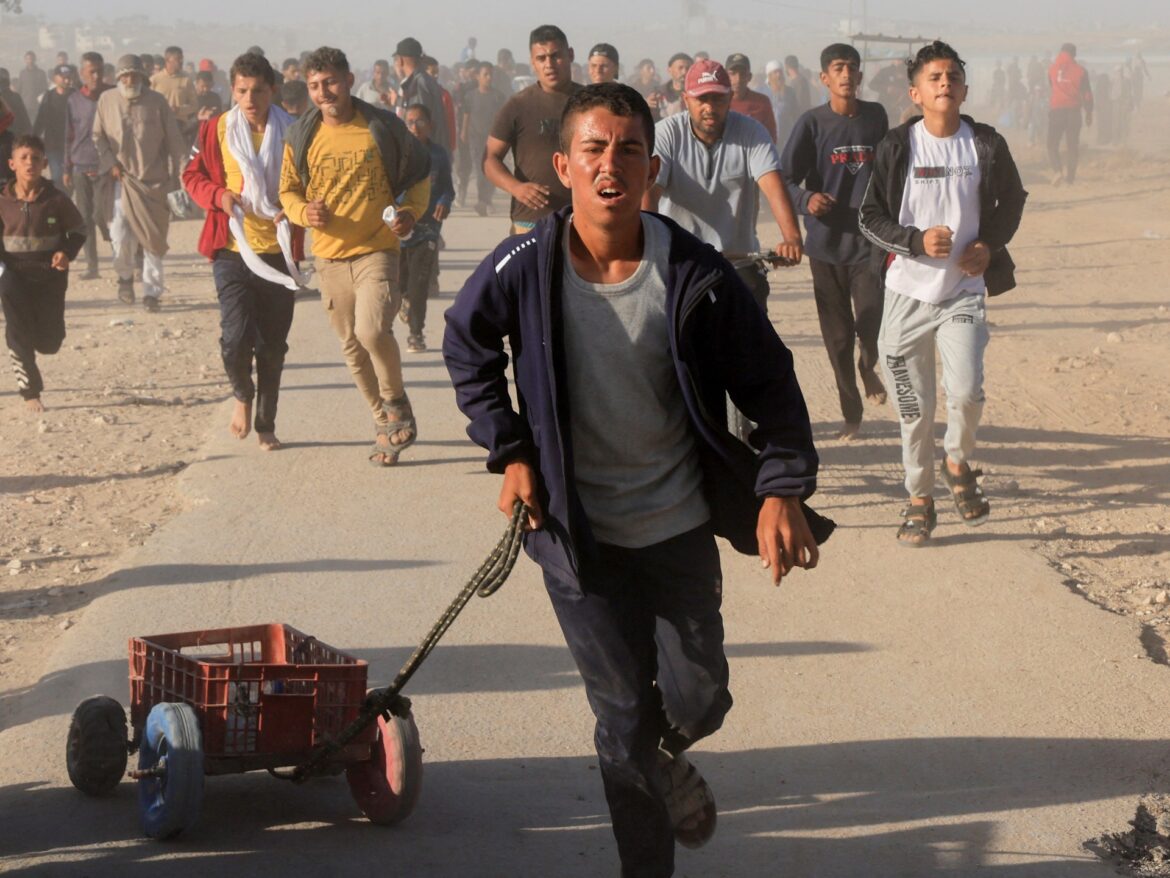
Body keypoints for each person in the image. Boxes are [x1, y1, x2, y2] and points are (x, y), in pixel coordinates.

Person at [444, 81, 825, 878]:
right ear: (563, 165)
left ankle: (660, 746)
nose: (609, 165)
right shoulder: (524, 264)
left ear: (652, 169)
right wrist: (510, 450)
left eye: (628, 150)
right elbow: (466, 343)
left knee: (699, 701)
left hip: (677, 526)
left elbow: (770, 382)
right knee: (620, 714)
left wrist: (781, 487)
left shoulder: (695, 271)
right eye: (593, 149)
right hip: (576, 539)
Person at [859, 40, 1027, 546]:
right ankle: (919, 499)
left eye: (952, 76)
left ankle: (956, 461)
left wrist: (988, 245)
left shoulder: (986, 143)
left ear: (965, 90)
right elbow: (869, 217)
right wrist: (915, 241)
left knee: (967, 391)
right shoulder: (897, 146)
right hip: (906, 296)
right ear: (915, 93)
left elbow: (1012, 199)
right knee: (914, 411)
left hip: (962, 292)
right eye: (934, 78)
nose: (944, 83)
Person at [278, 46, 431, 466]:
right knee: (351, 347)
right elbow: (287, 191)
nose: (323, 92)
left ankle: (395, 402)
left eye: (330, 82)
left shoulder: (382, 126)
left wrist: (410, 212)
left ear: (348, 80)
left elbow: (420, 172)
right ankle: (384, 423)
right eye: (314, 85)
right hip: (329, 258)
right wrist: (303, 213)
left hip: (376, 251)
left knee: (372, 331)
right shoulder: (301, 136)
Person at [183, 52, 304, 452]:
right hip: (232, 248)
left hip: (278, 253)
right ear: (232, 90)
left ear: (273, 90)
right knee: (235, 339)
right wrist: (218, 196)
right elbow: (192, 176)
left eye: (258, 91)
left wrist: (296, 207)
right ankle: (242, 394)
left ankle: (266, 425)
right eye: (242, 91)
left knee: (272, 346)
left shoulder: (294, 132)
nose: (250, 99)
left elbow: (312, 183)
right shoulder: (216, 128)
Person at [781, 43, 888, 440]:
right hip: (825, 247)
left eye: (852, 67)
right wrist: (807, 200)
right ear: (824, 78)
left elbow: (891, 169)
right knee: (839, 338)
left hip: (870, 242)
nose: (846, 74)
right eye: (838, 68)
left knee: (873, 319)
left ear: (860, 76)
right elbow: (783, 179)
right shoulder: (812, 124)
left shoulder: (876, 117)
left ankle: (868, 365)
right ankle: (851, 412)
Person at [644, 59, 803, 312]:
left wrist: (792, 237)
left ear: (729, 99)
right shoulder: (666, 134)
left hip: (738, 262)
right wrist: (648, 244)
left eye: (717, 99)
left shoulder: (752, 133)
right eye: (702, 99)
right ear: (686, 99)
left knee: (754, 329)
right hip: (680, 262)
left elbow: (773, 187)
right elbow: (649, 195)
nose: (709, 107)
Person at [93, 54, 186, 311]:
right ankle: (125, 278)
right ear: (118, 78)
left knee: (152, 241)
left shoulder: (157, 102)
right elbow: (98, 136)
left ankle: (151, 294)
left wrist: (183, 174)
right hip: (122, 181)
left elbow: (175, 141)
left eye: (133, 75)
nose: (129, 80)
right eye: (125, 76)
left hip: (154, 183)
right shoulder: (107, 100)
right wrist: (110, 162)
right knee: (120, 234)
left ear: (142, 77)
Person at [0, 134, 86, 413]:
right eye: (23, 158)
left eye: (35, 159)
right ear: (12, 164)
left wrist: (66, 252)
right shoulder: (2, 201)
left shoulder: (56, 200)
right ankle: (30, 391)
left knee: (50, 343)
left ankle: (36, 337)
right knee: (17, 332)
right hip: (12, 275)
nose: (30, 163)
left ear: (45, 164)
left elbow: (78, 231)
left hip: (50, 276)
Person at [484, 25, 583, 236]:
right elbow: (490, 159)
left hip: (582, 220)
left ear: (570, 55)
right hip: (529, 222)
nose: (549, 64)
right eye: (541, 58)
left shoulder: (590, 103)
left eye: (556, 56)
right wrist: (516, 188)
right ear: (532, 62)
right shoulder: (518, 105)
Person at [398, 104, 453, 353]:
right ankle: (404, 301)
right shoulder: (396, 154)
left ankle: (416, 334)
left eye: (420, 121)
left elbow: (447, 188)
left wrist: (444, 202)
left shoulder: (438, 155)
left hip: (427, 227)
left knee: (419, 284)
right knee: (400, 283)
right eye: (410, 122)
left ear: (430, 125)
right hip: (398, 228)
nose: (415, 127)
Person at [63, 52, 112, 280]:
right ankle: (92, 266)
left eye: (99, 71)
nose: (96, 76)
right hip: (80, 166)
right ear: (82, 73)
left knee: (103, 214)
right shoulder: (73, 101)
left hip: (106, 166)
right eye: (91, 72)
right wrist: (66, 167)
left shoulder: (111, 96)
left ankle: (122, 255)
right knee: (84, 219)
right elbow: (69, 135)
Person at [460, 61, 506, 216]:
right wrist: (464, 132)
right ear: (477, 76)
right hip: (475, 139)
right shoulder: (470, 96)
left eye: (490, 74)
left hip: (493, 139)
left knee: (492, 169)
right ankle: (482, 200)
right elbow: (466, 115)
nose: (488, 77)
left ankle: (487, 199)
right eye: (485, 74)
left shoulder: (498, 96)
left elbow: (502, 118)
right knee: (480, 170)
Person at [393, 39, 450, 155]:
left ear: (400, 60)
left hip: (424, 153)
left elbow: (418, 119)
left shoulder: (419, 83)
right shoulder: (424, 80)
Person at [1047, 42, 1092, 186]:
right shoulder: (1081, 71)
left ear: (1061, 52)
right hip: (1074, 111)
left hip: (1057, 110)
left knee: (1052, 144)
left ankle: (1057, 171)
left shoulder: (1052, 69)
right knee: (1072, 146)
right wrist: (1089, 112)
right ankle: (1070, 179)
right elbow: (1087, 94)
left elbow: (1052, 86)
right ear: (1074, 55)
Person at [32, 64, 74, 184]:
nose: (66, 80)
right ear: (55, 78)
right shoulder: (49, 96)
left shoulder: (76, 96)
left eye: (68, 77)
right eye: (63, 77)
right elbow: (40, 119)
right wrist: (34, 139)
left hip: (72, 145)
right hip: (53, 145)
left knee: (72, 178)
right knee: (57, 176)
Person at [151, 46, 198, 144]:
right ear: (167, 60)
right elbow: (148, 103)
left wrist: (179, 110)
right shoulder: (155, 80)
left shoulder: (186, 80)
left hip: (179, 126)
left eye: (182, 59)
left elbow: (195, 105)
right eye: (177, 59)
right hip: (158, 125)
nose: (181, 62)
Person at [725, 53, 777, 142]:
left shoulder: (762, 102)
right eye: (733, 74)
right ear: (725, 76)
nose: (738, 79)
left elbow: (771, 138)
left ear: (749, 77)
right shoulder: (718, 103)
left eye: (742, 74)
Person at [0, 69, 32, 138]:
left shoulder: (15, 97)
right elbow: (24, 118)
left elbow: (24, 117)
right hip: (14, 134)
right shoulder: (15, 96)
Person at [16, 52, 48, 119]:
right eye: (28, 59)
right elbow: (19, 89)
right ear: (25, 60)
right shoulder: (22, 73)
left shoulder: (41, 73)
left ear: (35, 59)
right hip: (25, 105)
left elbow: (45, 90)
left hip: (37, 106)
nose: (30, 61)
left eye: (31, 59)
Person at [660, 53, 691, 117]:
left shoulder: (698, 93)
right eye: (680, 68)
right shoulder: (659, 94)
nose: (684, 72)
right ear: (669, 70)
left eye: (688, 68)